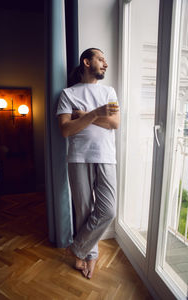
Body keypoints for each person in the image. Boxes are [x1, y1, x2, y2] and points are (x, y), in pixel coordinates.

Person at [57, 48, 120, 279]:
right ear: (86, 62)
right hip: (78, 157)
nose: (105, 63)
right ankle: (88, 256)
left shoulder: (109, 91)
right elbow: (65, 130)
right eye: (100, 59)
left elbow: (114, 123)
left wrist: (83, 115)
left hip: (106, 156)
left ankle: (77, 248)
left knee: (108, 210)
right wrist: (94, 114)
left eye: (105, 60)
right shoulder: (67, 94)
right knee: (83, 212)